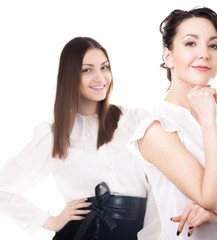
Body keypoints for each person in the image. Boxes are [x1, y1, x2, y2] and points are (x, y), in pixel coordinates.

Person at [130, 7, 217, 240]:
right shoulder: (157, 128)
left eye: (213, 45)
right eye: (190, 43)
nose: (204, 53)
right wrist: (207, 122)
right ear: (168, 57)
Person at [0, 37, 160, 240]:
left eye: (104, 67)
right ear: (70, 76)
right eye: (87, 70)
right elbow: (3, 190)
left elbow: (162, 184)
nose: (100, 77)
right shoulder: (55, 138)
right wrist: (49, 221)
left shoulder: (135, 121)